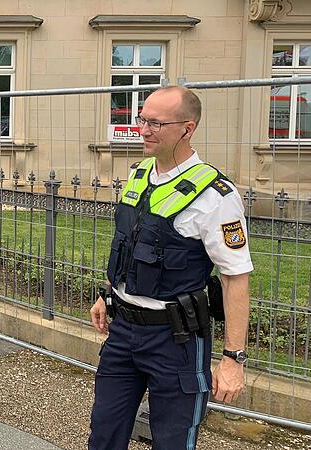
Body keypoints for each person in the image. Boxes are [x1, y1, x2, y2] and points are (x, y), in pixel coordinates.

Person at [88, 86, 252, 449]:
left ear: (187, 129)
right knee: (103, 436)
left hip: (174, 340)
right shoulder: (139, 174)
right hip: (123, 333)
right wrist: (108, 295)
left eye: (155, 123)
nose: (143, 130)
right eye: (142, 119)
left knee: (173, 442)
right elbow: (126, 243)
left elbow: (235, 277)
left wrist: (232, 359)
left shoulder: (215, 196)